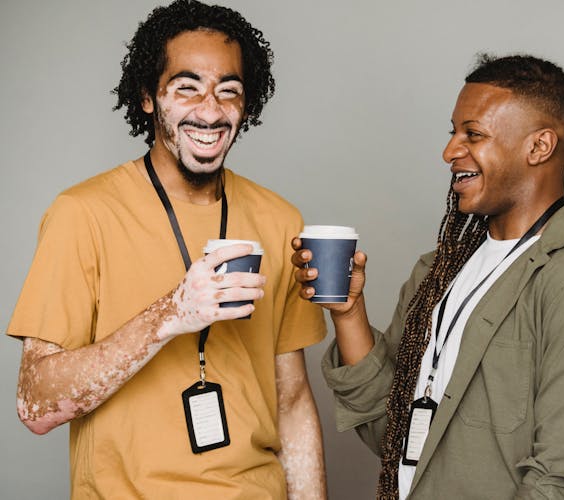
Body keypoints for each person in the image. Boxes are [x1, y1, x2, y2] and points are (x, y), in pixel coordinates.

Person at [292, 54, 564, 499]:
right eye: (453, 131)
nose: (449, 152)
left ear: (539, 147)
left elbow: (563, 483)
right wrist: (348, 315)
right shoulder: (437, 270)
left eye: (473, 134)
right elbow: (393, 435)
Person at [8, 1, 327, 498]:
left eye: (229, 91)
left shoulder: (280, 218)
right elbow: (36, 405)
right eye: (187, 88)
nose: (210, 110)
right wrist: (171, 314)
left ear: (248, 103)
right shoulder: (81, 214)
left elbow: (293, 402)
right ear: (148, 98)